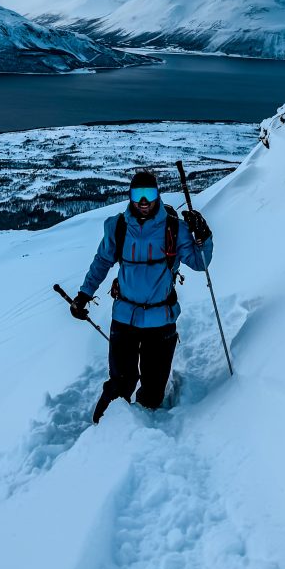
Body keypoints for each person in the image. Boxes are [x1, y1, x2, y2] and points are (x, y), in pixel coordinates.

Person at [70, 169, 213, 423]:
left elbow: (199, 262)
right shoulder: (118, 227)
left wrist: (203, 237)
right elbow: (102, 262)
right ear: (130, 196)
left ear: (157, 195)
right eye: (138, 194)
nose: (143, 201)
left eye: (149, 193)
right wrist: (84, 294)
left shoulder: (174, 228)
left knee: (153, 391)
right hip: (125, 319)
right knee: (119, 386)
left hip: (161, 322)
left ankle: (144, 434)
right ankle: (101, 433)